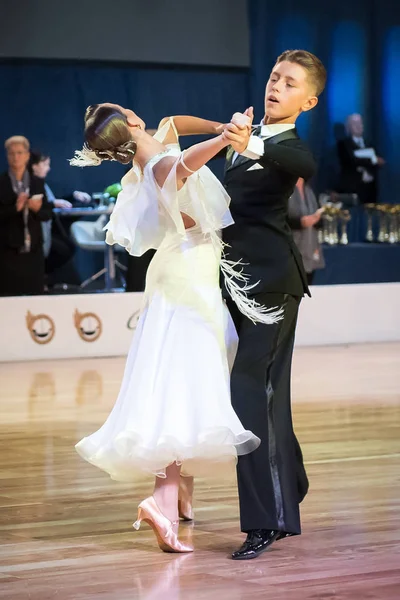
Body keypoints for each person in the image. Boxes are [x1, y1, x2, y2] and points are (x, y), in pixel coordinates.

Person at [71, 104, 281, 553]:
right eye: (128, 110)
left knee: (180, 378)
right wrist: (226, 140)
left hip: (184, 269)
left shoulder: (153, 144)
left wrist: (217, 126)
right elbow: (186, 162)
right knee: (180, 383)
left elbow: (175, 124)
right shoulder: (160, 163)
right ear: (129, 122)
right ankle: (162, 502)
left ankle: (178, 493)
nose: (137, 112)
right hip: (186, 277)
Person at [221, 49, 327, 559]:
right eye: (272, 76)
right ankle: (292, 478)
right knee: (266, 393)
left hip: (273, 286)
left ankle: (268, 518)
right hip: (234, 286)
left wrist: (255, 144)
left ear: (307, 100)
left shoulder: (285, 148)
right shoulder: (240, 138)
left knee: (247, 390)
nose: (275, 86)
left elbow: (302, 163)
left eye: (289, 83)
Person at [0, 136, 52, 296]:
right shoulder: (2, 183)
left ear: (27, 155)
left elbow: (47, 214)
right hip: (8, 251)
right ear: (7, 156)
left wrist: (36, 209)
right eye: (12, 153)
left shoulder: (37, 183)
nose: (16, 157)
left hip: (33, 250)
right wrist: (15, 208)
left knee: (34, 298)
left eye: (20, 153)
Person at [337, 113, 385, 205]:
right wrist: (373, 160)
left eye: (360, 123)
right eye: (355, 124)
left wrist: (376, 162)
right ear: (349, 127)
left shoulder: (369, 144)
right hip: (353, 191)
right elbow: (352, 160)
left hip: (371, 192)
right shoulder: (343, 145)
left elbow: (379, 162)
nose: (359, 126)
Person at [288, 178, 325, 285]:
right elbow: (277, 219)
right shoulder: (283, 189)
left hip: (309, 247)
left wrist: (317, 220)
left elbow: (320, 221)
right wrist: (300, 223)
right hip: (290, 251)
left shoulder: (310, 190)